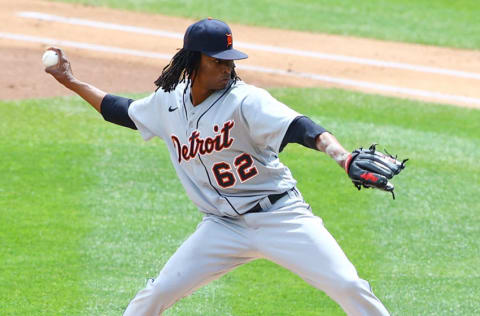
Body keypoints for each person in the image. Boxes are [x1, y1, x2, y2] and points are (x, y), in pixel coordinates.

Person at [45, 18, 390, 316]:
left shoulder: (246, 100)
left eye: (230, 60)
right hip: (222, 228)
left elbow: (301, 127)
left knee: (348, 285)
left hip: (281, 218)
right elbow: (121, 111)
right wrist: (70, 80)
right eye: (217, 61)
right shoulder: (168, 102)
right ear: (193, 61)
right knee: (157, 294)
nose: (227, 68)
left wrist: (341, 156)